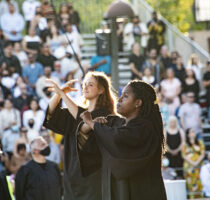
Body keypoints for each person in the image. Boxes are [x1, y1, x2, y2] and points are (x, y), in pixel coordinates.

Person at [79, 80, 167, 200]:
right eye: (121, 95)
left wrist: (91, 123)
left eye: (125, 96)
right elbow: (93, 141)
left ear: (138, 103)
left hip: (142, 193)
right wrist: (91, 126)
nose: (119, 100)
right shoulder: (116, 124)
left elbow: (117, 139)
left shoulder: (145, 128)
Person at [43, 71, 116, 200]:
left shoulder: (107, 115)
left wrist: (62, 95)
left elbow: (83, 119)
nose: (85, 87)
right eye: (84, 84)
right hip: (72, 175)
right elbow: (50, 114)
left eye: (90, 84)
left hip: (93, 176)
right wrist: (59, 94)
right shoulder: (74, 113)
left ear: (101, 90)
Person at [182, 128, 205, 199]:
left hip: (199, 166)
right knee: (190, 184)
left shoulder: (200, 142)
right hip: (189, 167)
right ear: (188, 134)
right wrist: (192, 163)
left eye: (194, 132)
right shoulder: (184, 144)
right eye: (191, 132)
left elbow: (202, 154)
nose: (193, 133)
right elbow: (184, 155)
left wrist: (197, 162)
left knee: (200, 183)